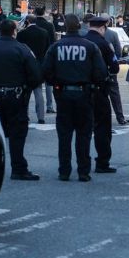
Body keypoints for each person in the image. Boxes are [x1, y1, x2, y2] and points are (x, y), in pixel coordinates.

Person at [0, 20, 42, 181]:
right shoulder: (21, 49)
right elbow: (35, 76)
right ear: (14, 32)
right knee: (17, 133)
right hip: (15, 96)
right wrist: (26, 90)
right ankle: (18, 168)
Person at [43, 14, 108, 182]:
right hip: (84, 94)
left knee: (64, 135)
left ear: (64, 27)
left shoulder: (55, 47)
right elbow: (101, 73)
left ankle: (64, 171)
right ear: (80, 26)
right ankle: (83, 171)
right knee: (83, 134)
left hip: (63, 94)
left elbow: (46, 72)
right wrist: (92, 85)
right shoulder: (90, 46)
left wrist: (57, 85)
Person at [83, 14, 120, 173]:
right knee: (102, 128)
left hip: (81, 90)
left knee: (82, 129)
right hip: (99, 90)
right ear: (102, 27)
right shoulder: (104, 44)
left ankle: (82, 163)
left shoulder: (82, 41)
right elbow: (115, 67)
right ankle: (102, 162)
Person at [17, 15, 50, 124]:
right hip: (39, 65)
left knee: (25, 92)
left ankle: (24, 115)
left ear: (27, 21)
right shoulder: (44, 32)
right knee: (38, 91)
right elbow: (47, 49)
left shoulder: (22, 33)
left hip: (25, 65)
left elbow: (18, 49)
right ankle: (41, 117)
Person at [34, 7, 57, 115]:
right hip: (47, 57)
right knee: (49, 84)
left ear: (34, 13)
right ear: (44, 13)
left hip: (33, 59)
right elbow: (53, 42)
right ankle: (50, 105)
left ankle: (39, 109)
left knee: (36, 85)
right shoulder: (49, 25)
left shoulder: (32, 25)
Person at [103, 18, 126, 125]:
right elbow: (118, 51)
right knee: (115, 95)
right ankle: (120, 117)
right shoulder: (113, 34)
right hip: (110, 68)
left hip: (99, 69)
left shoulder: (92, 34)